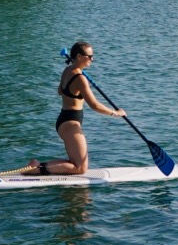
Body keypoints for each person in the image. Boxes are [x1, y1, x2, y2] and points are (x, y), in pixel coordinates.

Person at [28, 41, 124, 176]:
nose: (92, 59)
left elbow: (60, 91)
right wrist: (115, 113)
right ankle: (36, 168)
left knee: (75, 163)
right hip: (71, 124)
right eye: (89, 56)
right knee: (80, 168)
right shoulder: (80, 78)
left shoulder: (67, 70)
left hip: (63, 120)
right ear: (79, 56)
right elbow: (94, 105)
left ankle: (39, 166)